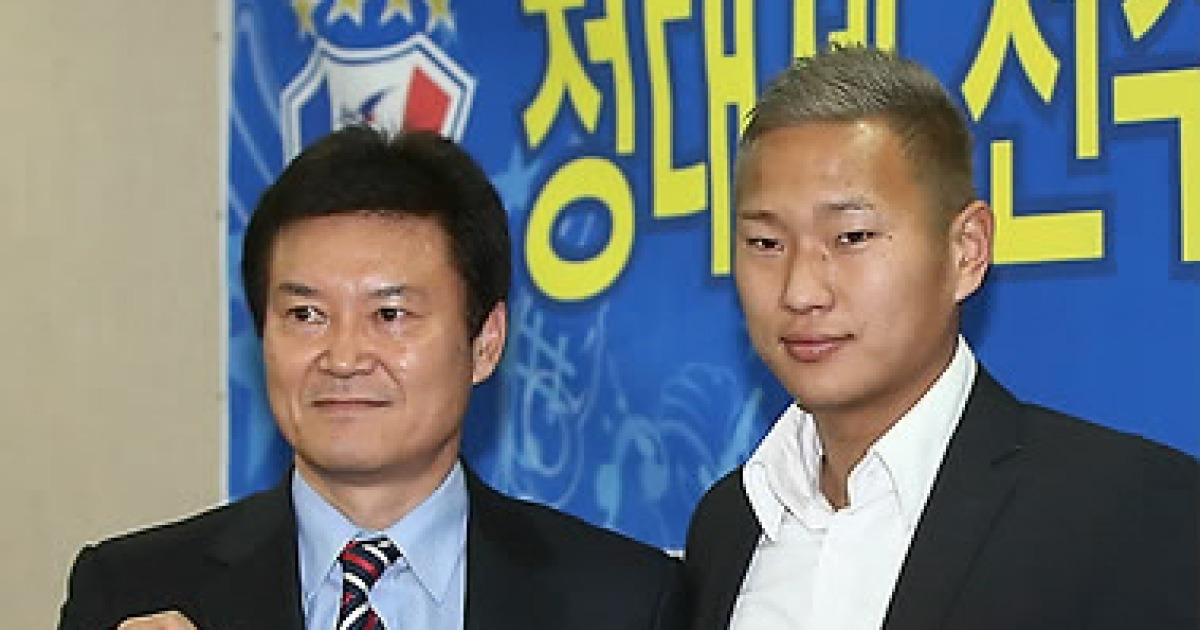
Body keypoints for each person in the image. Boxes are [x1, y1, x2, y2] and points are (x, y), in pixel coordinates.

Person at [59, 126, 686, 630]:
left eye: (390, 314)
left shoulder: (623, 601)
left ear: (485, 343)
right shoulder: (131, 592)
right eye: (306, 314)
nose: (344, 355)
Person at [685, 46, 1198, 630]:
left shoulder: (1127, 510)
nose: (801, 290)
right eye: (765, 244)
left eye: (851, 237)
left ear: (966, 251)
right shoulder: (728, 525)